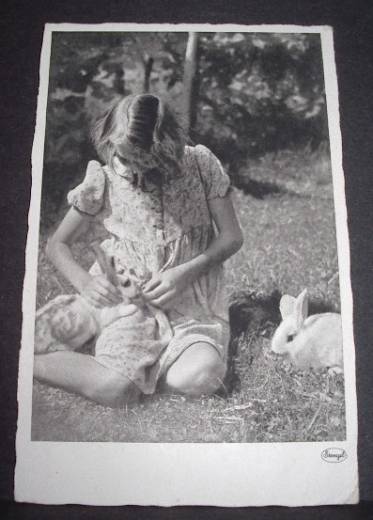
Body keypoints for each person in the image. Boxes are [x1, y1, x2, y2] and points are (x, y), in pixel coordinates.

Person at [34, 94, 243, 408]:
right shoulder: (103, 179)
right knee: (116, 389)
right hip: (129, 304)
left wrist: (186, 272)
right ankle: (27, 362)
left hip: (193, 303)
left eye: (142, 161)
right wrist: (86, 284)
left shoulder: (200, 164)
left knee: (204, 376)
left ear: (167, 148)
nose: (131, 170)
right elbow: (56, 244)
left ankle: (144, 361)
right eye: (123, 158)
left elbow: (231, 236)